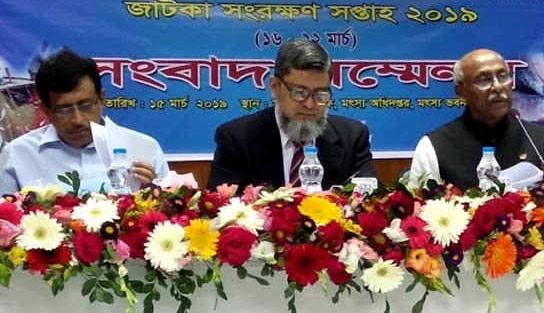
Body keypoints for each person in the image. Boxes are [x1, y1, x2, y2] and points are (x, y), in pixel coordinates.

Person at [207, 38, 376, 191]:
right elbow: (221, 207)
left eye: (320, 93)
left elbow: (368, 203)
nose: (310, 104)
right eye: (299, 92)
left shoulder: (352, 137)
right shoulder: (236, 138)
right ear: (275, 87)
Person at [0, 49, 168, 194]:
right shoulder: (18, 155)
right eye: (64, 110)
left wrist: (154, 194)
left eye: (85, 105)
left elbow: (171, 220)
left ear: (101, 99)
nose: (77, 120)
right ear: (46, 111)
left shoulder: (145, 150)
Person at [408, 48, 544, 190]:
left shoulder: (540, 140)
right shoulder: (434, 147)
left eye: (503, 77)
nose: (497, 87)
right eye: (484, 80)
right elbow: (420, 213)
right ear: (461, 92)